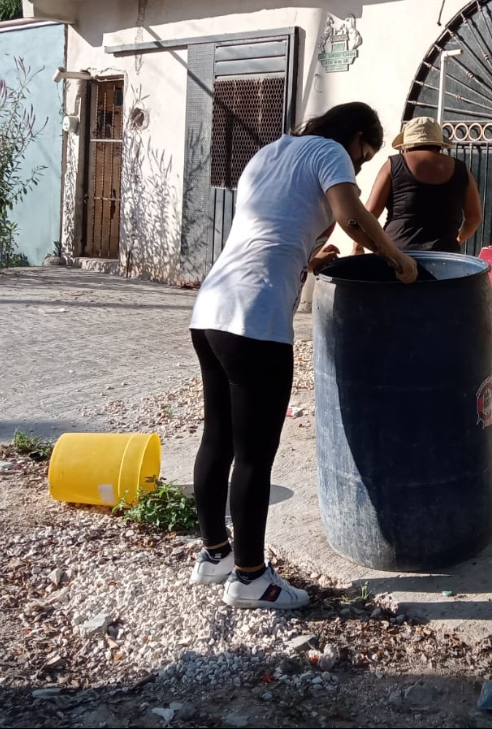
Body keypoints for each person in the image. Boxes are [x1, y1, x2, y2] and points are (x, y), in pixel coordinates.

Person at [187, 102, 419, 611]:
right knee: (253, 453)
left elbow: (266, 228)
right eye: (365, 155)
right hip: (255, 319)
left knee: (218, 439)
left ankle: (215, 556)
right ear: (356, 135)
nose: (357, 166)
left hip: (210, 310)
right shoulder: (330, 151)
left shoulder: (270, 152)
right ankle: (251, 579)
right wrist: (396, 257)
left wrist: (307, 259)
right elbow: (351, 216)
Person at [353, 116, 483, 256]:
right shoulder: (462, 170)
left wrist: (357, 247)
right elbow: (474, 218)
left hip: (397, 255)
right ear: (439, 144)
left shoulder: (394, 165)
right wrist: (457, 240)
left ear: (407, 144)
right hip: (444, 257)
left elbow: (369, 212)